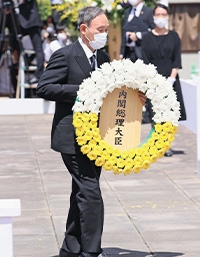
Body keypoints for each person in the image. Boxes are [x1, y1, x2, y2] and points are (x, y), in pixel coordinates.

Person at [37, 6, 146, 257]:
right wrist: (83, 90)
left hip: (96, 139)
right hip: (71, 139)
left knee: (81, 192)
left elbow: (111, 93)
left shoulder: (104, 58)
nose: (104, 34)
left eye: (106, 30)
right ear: (84, 30)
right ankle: (91, 251)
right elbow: (44, 87)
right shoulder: (65, 55)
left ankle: (70, 247)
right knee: (91, 193)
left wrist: (133, 98)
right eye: (101, 30)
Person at [142, 3, 187, 157]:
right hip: (154, 81)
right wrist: (153, 82)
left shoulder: (174, 36)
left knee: (170, 115)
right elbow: (145, 61)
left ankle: (166, 145)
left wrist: (171, 79)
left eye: (163, 15)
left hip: (171, 80)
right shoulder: (147, 38)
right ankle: (156, 145)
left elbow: (177, 60)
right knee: (156, 114)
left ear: (167, 17)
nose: (160, 18)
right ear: (153, 17)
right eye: (158, 15)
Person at [18, 0, 45, 84]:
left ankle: (38, 75)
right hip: (22, 23)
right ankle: (27, 60)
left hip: (32, 22)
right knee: (14, 40)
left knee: (38, 49)